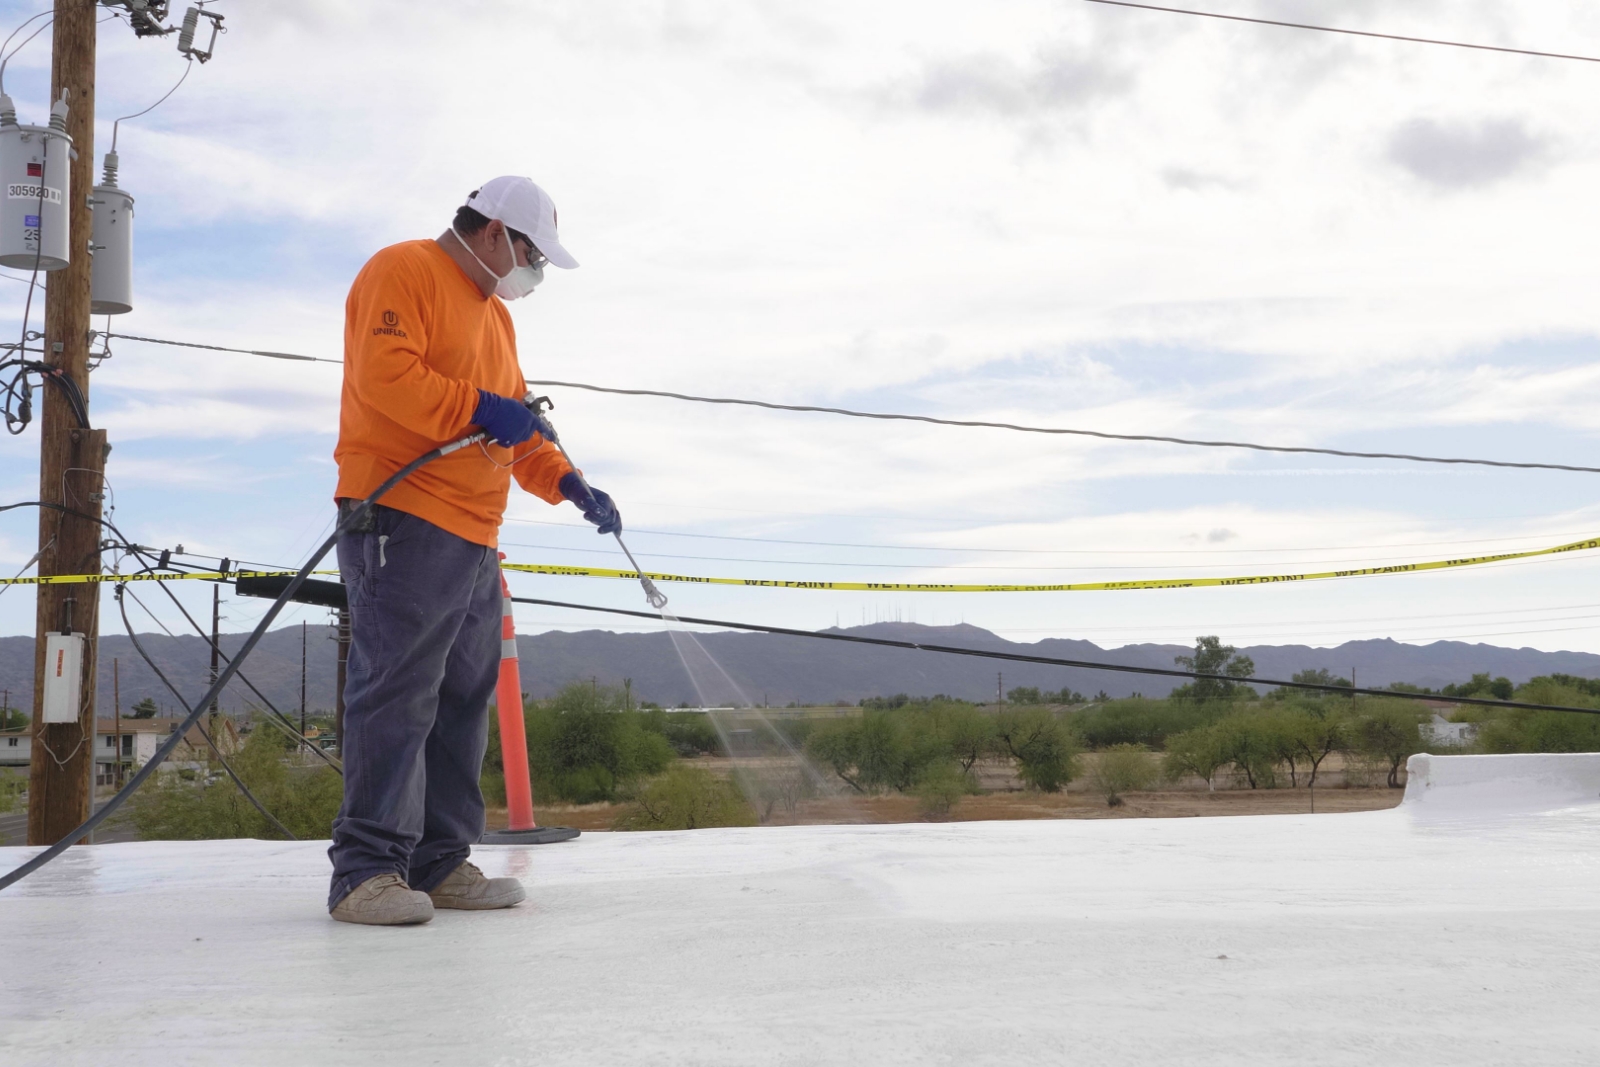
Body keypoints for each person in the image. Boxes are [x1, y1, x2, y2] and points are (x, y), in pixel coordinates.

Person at [326, 176, 621, 926]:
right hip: (401, 516)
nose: (536, 273)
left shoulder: (495, 319)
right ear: (493, 232)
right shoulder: (404, 270)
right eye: (532, 255)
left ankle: (439, 860)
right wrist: (476, 406)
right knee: (397, 693)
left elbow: (518, 426)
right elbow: (389, 378)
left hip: (473, 534)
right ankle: (366, 872)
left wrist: (569, 482)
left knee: (460, 699)